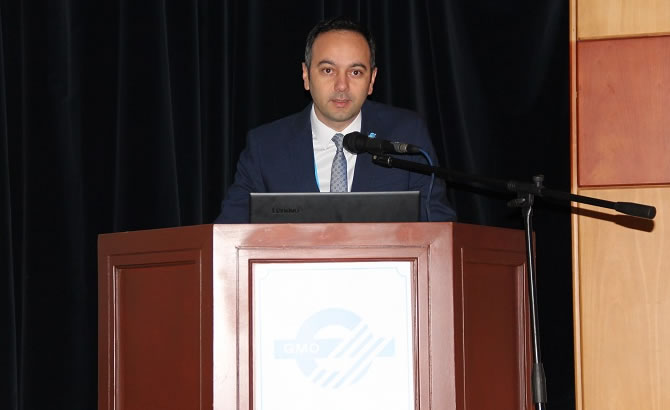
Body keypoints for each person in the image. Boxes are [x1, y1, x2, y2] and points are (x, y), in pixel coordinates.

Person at [215, 17, 456, 223]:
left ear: (371, 80)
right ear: (306, 75)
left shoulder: (406, 134)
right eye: (328, 70)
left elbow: (439, 227)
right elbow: (227, 235)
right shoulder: (266, 147)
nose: (342, 86)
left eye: (355, 72)